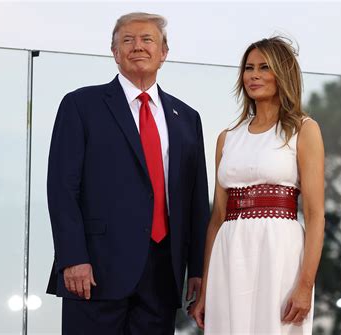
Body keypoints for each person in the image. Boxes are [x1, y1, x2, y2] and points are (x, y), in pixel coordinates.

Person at [46, 12, 210, 334]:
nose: (138, 46)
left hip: (163, 274)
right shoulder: (81, 105)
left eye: (147, 39)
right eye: (128, 40)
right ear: (114, 51)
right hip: (94, 271)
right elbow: (62, 188)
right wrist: (72, 257)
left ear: (164, 52)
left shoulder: (187, 118)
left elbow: (195, 200)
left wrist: (198, 268)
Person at [191, 36, 325, 334]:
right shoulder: (228, 137)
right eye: (249, 68)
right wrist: (204, 289)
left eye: (265, 67)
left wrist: (305, 285)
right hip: (230, 252)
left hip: (279, 252)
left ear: (283, 73)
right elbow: (217, 218)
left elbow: (316, 215)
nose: (254, 75)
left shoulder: (304, 130)